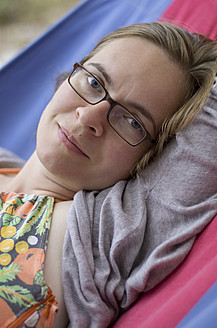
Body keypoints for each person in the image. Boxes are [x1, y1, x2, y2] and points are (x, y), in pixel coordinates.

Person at [0, 22, 217, 328]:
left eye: (132, 122)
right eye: (94, 82)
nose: (89, 116)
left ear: (153, 159)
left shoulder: (99, 236)